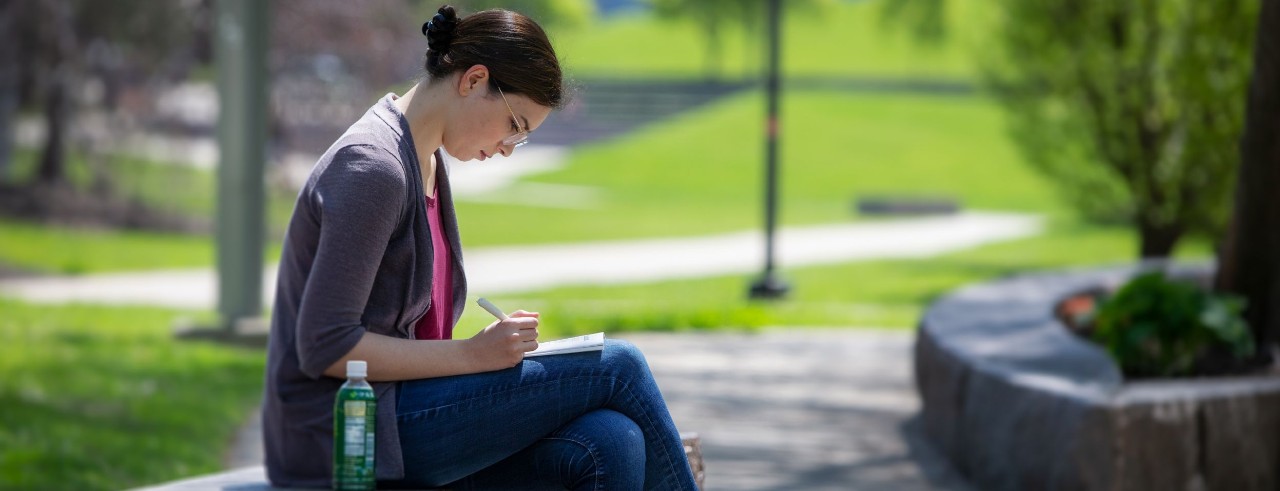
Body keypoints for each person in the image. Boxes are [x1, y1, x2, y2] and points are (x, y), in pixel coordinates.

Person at [261, 5, 699, 490]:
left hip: (403, 413)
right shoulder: (374, 167)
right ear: (473, 80)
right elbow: (325, 344)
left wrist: (488, 353)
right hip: (347, 435)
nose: (510, 146)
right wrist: (472, 356)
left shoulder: (425, 159)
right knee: (619, 366)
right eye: (516, 124)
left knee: (612, 440)